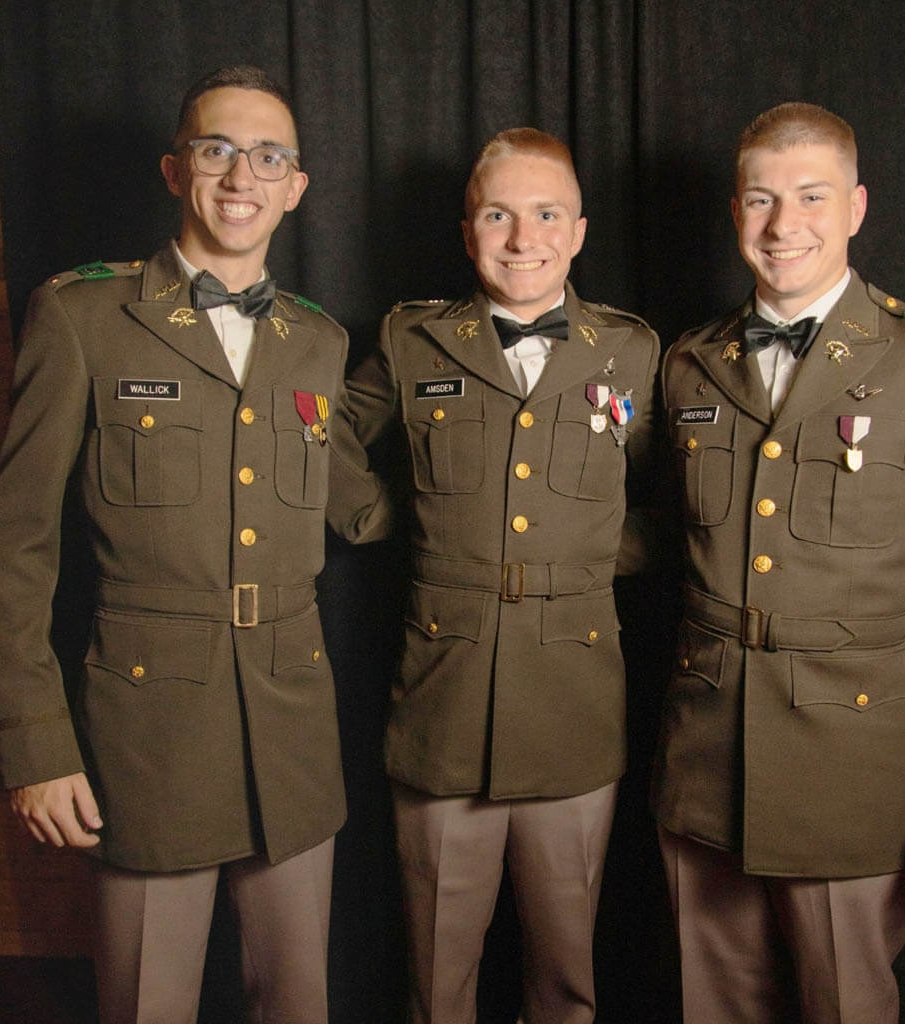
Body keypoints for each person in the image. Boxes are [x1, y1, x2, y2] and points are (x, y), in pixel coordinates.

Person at [0, 65, 387, 1023]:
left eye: (268, 156)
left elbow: (362, 507)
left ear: (296, 187)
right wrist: (34, 744)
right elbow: (14, 547)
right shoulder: (84, 317)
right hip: (147, 733)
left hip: (292, 729)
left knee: (298, 1004)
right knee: (146, 1004)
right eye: (217, 149)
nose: (241, 174)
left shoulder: (317, 342)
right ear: (177, 170)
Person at [653, 100, 905, 1023]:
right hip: (704, 761)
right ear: (735, 211)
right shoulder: (691, 363)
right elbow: (660, 542)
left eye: (810, 197)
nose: (784, 226)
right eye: (761, 200)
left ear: (856, 207)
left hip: (849, 771)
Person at [341, 128, 659, 1023]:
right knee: (437, 981)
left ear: (581, 230)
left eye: (547, 214)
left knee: (566, 979)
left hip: (572, 703)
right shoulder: (414, 342)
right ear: (469, 228)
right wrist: (386, 519)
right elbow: (307, 426)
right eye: (499, 214)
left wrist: (598, 553)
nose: (525, 238)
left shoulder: (630, 352)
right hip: (443, 704)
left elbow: (690, 493)